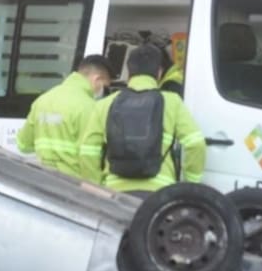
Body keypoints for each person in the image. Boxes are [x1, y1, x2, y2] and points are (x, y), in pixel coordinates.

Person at [78, 43, 205, 194]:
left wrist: (97, 187)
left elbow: (87, 151)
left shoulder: (105, 104)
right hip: (158, 193)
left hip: (115, 191)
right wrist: (190, 184)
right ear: (159, 73)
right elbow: (196, 144)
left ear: (128, 73)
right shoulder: (172, 102)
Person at [16, 54, 113, 177]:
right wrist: (97, 187)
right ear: (97, 79)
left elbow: (23, 145)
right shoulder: (89, 107)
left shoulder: (42, 100)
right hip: (74, 186)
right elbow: (90, 156)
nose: (104, 92)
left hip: (45, 181)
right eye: (105, 87)